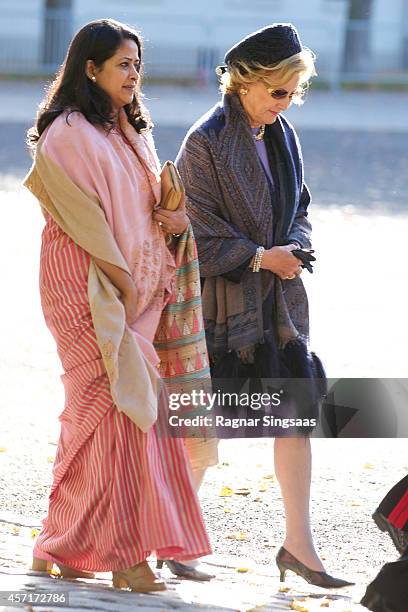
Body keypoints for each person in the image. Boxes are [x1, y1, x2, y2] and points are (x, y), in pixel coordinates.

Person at [24, 18, 214, 592]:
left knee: (98, 420)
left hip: (131, 289)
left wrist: (176, 218)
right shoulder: (68, 133)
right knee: (119, 414)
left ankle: (60, 545)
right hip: (87, 285)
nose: (134, 75)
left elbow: (150, 212)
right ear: (91, 68)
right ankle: (127, 559)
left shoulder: (129, 131)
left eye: (137, 65)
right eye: (122, 65)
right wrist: (127, 287)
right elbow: (85, 223)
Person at [176, 24, 353, 588]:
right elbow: (194, 235)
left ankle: (298, 547)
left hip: (282, 308)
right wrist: (258, 257)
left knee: (296, 419)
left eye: (294, 93)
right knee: (210, 426)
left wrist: (295, 246)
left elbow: (301, 203)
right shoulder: (204, 141)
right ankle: (174, 539)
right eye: (280, 91)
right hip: (227, 310)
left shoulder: (282, 132)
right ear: (246, 82)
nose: (287, 102)